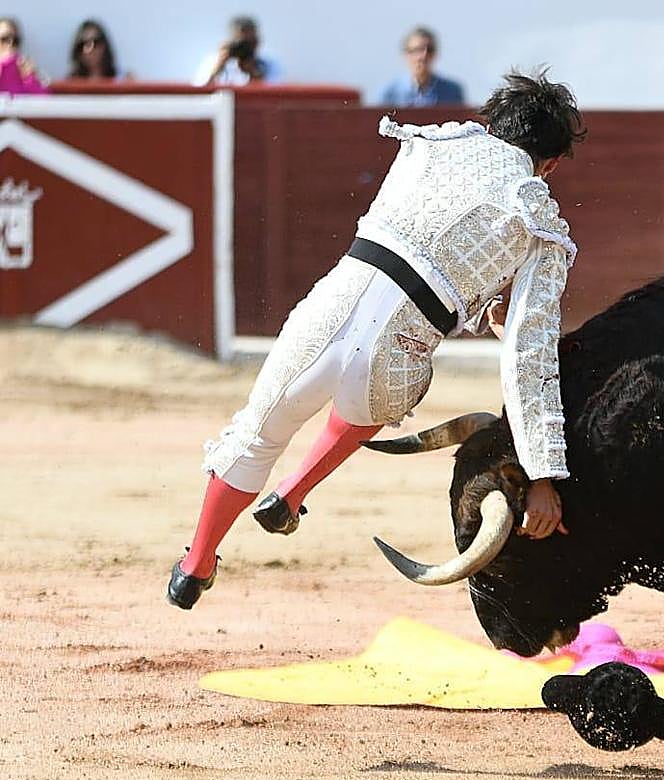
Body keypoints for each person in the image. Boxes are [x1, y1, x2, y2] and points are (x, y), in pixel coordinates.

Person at [167, 69, 586, 609]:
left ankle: (194, 566)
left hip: (331, 307)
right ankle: (293, 494)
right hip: (399, 351)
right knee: (368, 403)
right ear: (548, 164)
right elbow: (528, 356)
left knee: (255, 435)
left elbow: (427, 237)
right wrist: (543, 473)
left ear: (492, 122)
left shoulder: (430, 144)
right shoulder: (538, 219)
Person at [377, 26, 464, 107]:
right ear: (406, 54)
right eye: (417, 50)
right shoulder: (390, 94)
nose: (423, 56)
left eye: (429, 50)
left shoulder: (452, 91)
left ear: (435, 54)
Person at [193, 15, 281, 87]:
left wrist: (253, 71)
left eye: (250, 42)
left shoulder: (269, 64)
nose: (246, 48)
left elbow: (276, 93)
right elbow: (199, 90)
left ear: (257, 42)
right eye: (242, 43)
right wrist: (219, 66)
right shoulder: (213, 61)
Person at [0, 17, 47, 95]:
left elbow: (44, 99)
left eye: (15, 40)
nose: (11, 44)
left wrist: (30, 77)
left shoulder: (24, 67)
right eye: (5, 39)